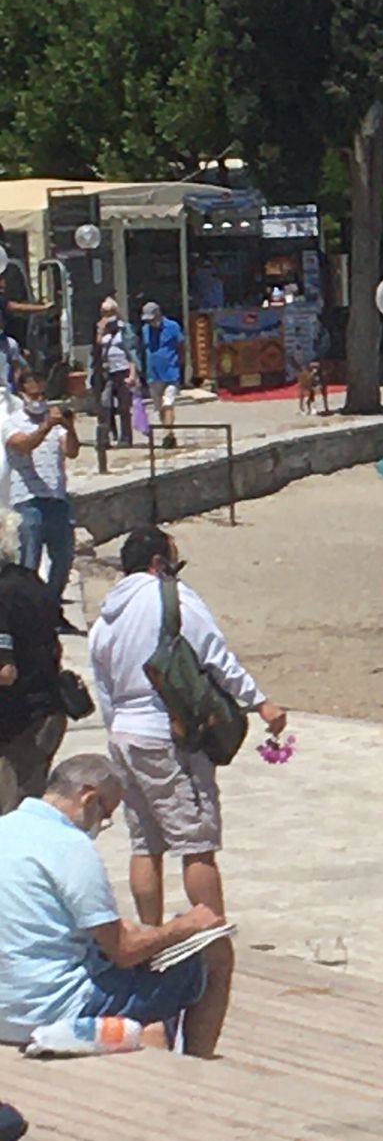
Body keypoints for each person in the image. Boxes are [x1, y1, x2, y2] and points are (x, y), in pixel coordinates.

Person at [87, 527, 285, 1050]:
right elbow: (213, 653)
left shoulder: (106, 613)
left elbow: (103, 682)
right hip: (166, 732)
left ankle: (151, 930)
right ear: (158, 561)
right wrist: (261, 703)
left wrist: (117, 732)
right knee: (196, 838)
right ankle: (210, 931)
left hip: (124, 733)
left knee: (143, 840)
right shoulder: (170, 596)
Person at [0, 754, 232, 1055]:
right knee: (216, 953)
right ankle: (196, 1060)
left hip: (7, 1003)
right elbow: (123, 951)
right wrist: (183, 927)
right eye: (105, 814)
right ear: (89, 798)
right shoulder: (71, 846)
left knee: (146, 996)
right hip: (50, 1008)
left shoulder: (7, 827)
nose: (101, 824)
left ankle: (153, 1039)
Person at [0, 506, 65, 812]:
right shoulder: (30, 582)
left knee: (11, 821)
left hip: (18, 727)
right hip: (47, 712)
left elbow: (5, 671)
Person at [4, 361, 79, 618]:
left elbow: (71, 451)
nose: (38, 400)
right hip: (28, 500)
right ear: (22, 395)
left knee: (64, 556)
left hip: (57, 498)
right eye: (33, 395)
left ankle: (51, 608)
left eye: (42, 395)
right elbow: (23, 446)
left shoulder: (54, 421)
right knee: (29, 561)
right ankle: (26, 614)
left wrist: (70, 428)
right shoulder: (13, 422)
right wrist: (46, 425)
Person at [139, 302, 187, 449]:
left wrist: (181, 365)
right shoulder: (145, 329)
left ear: (159, 315)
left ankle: (167, 435)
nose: (150, 322)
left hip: (171, 373)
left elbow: (182, 346)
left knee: (168, 404)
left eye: (152, 319)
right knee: (159, 407)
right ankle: (170, 434)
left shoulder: (172, 327)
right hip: (153, 374)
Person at [93, 301, 135, 450]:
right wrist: (100, 330)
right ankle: (105, 438)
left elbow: (132, 351)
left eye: (110, 311)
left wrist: (132, 374)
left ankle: (126, 438)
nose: (107, 315)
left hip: (123, 370)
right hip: (107, 372)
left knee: (124, 406)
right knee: (104, 404)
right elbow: (97, 348)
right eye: (104, 312)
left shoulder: (124, 328)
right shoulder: (101, 329)